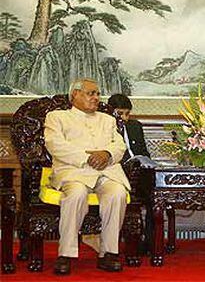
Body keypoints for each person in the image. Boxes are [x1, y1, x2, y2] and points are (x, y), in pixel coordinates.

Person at [44, 79, 130, 275]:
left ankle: (108, 252)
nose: (96, 98)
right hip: (74, 171)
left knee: (117, 193)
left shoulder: (107, 120)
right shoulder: (57, 117)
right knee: (76, 194)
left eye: (98, 94)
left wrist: (107, 154)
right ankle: (65, 254)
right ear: (75, 94)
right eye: (91, 93)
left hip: (106, 171)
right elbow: (55, 145)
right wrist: (88, 158)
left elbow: (119, 146)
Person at [108, 93, 156, 254]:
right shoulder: (105, 127)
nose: (125, 118)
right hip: (117, 174)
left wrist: (147, 163)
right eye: (120, 114)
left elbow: (143, 151)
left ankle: (149, 242)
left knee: (154, 196)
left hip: (138, 172)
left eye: (127, 113)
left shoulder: (135, 126)